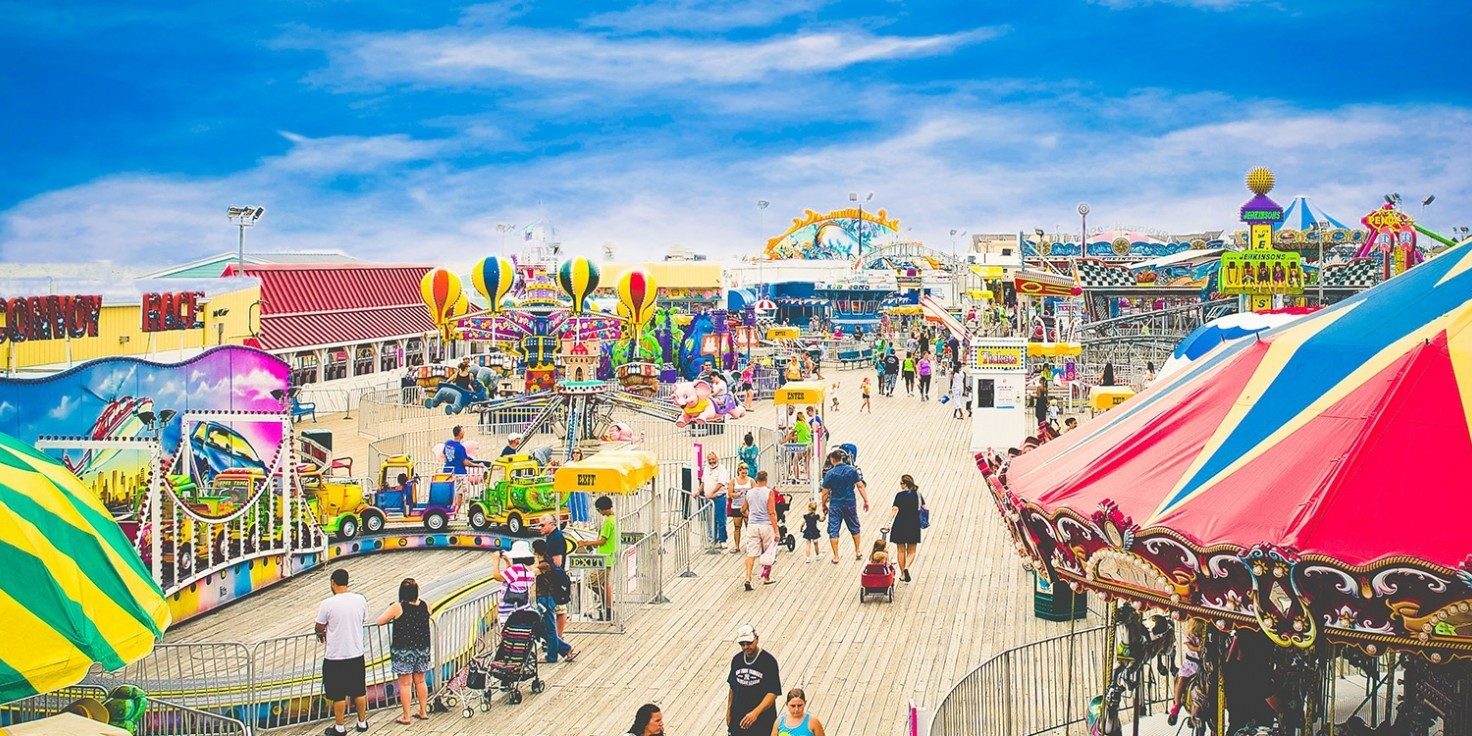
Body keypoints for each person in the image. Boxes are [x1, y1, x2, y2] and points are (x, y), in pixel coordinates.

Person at [315, 569, 369, 735]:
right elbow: (364, 618)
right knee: (359, 690)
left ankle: (340, 726)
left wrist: (321, 633)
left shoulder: (328, 604)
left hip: (335, 655)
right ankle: (362, 722)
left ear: (332, 582)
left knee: (338, 694)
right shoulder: (360, 600)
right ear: (347, 581)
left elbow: (319, 625)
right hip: (356, 652)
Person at [375, 578, 431, 725]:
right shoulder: (425, 605)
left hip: (403, 650)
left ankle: (406, 716)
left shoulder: (398, 607)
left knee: (405, 684)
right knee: (421, 680)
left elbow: (379, 621)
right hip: (422, 648)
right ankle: (423, 711)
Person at [728, 625, 782, 736]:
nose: (746, 647)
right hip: (738, 720)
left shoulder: (768, 661)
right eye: (742, 644)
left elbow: (772, 693)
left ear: (757, 639)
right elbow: (732, 687)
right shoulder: (737, 660)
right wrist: (729, 711)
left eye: (749, 643)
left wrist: (755, 713)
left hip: (762, 722)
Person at [531, 540, 577, 664]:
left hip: (545, 599)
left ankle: (552, 656)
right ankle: (565, 649)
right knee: (542, 628)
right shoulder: (548, 561)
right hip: (548, 598)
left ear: (535, 551)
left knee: (549, 629)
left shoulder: (543, 565)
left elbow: (530, 576)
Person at [820, 449, 869, 563]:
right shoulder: (852, 470)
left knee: (833, 529)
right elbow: (860, 486)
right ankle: (858, 550)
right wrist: (866, 500)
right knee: (854, 526)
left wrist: (823, 505)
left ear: (832, 460)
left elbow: (825, 492)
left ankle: (836, 556)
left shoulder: (830, 474)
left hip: (835, 504)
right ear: (842, 458)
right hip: (850, 502)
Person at [577, 496, 618, 621]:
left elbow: (602, 540)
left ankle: (605, 602)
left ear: (603, 509)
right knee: (605, 584)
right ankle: (608, 608)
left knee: (591, 581)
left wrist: (586, 543)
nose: (598, 512)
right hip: (610, 556)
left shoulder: (608, 522)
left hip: (604, 558)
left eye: (598, 510)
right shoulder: (615, 519)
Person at [741, 471, 781, 590]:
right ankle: (766, 578)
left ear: (756, 479)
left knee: (751, 553)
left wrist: (749, 515)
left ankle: (748, 578)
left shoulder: (749, 493)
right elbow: (771, 512)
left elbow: (743, 509)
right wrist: (776, 530)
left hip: (752, 525)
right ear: (766, 480)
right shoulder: (769, 492)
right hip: (766, 525)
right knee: (768, 552)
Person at [884, 474, 924, 583]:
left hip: (900, 524)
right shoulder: (918, 495)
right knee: (911, 551)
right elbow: (924, 508)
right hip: (913, 524)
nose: (900, 485)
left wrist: (888, 522)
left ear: (905, 484)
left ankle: (902, 574)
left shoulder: (899, 495)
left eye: (901, 483)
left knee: (900, 550)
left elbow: (894, 509)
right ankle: (906, 567)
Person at [538, 518, 572, 640]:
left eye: (542, 525)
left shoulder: (556, 538)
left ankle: (558, 638)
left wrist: (543, 569)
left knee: (560, 609)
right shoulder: (551, 537)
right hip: (552, 578)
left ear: (551, 524)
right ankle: (554, 637)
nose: (539, 528)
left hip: (555, 579)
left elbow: (557, 562)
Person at [492, 540, 538, 622]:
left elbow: (497, 577)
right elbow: (511, 578)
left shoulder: (516, 570)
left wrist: (496, 560)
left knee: (507, 634)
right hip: (524, 610)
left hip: (508, 612)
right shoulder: (528, 571)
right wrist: (507, 561)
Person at [704, 451, 731, 550]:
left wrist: (712, 492)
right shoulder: (706, 468)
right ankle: (713, 539)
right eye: (710, 460)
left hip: (719, 497)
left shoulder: (722, 469)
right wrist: (699, 491)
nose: (711, 461)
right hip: (708, 499)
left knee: (721, 519)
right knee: (711, 519)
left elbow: (720, 483)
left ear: (717, 459)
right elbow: (704, 481)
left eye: (713, 459)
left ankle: (722, 539)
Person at [730, 463, 754, 555]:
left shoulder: (751, 481)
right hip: (736, 506)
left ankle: (750, 545)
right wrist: (738, 494)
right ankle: (737, 546)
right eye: (742, 473)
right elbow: (730, 493)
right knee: (737, 527)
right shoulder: (733, 481)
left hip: (748, 507)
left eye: (745, 473)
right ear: (739, 471)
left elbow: (756, 492)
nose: (744, 474)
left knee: (749, 526)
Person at [784, 411, 812, 482]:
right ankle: (808, 478)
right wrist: (792, 438)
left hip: (802, 445)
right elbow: (801, 435)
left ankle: (796, 478)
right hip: (809, 445)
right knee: (807, 462)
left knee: (795, 461)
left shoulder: (798, 424)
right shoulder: (807, 424)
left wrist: (784, 440)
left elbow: (791, 433)